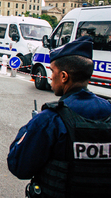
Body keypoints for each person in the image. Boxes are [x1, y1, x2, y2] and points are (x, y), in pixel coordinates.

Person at [7, 36, 111, 197]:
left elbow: (19, 165)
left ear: (64, 76)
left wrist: (31, 126)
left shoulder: (50, 119)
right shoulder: (108, 112)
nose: (50, 76)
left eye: (52, 71)